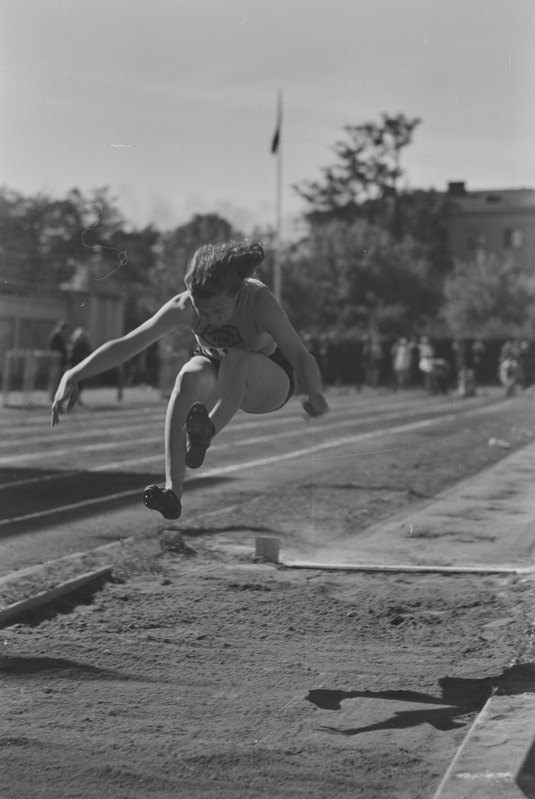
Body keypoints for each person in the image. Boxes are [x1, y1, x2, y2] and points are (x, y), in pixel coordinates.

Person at [52, 240, 329, 520]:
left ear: (236, 293)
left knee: (236, 357)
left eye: (218, 311)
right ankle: (173, 493)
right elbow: (129, 343)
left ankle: (206, 431)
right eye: (202, 311)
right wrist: (73, 374)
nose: (211, 320)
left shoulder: (259, 302)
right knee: (186, 377)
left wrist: (315, 391)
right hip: (218, 374)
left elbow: (301, 356)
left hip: (270, 380)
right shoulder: (183, 306)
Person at [69, 328, 92, 401]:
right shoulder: (76, 345)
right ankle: (74, 398)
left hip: (84, 366)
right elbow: (73, 357)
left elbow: (90, 354)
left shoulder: (86, 345)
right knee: (75, 383)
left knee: (81, 383)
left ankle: (77, 398)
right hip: (76, 366)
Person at [48, 319, 68, 400]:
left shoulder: (58, 335)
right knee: (55, 379)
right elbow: (54, 348)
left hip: (60, 360)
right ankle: (53, 396)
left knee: (58, 379)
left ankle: (55, 395)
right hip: (56, 360)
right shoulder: (56, 335)